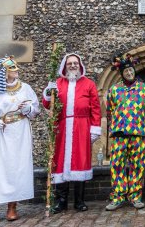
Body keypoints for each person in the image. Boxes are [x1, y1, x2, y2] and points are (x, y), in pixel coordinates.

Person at [42, 53, 101, 213]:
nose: (73, 65)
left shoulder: (89, 84)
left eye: (76, 63)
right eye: (70, 63)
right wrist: (48, 92)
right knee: (60, 162)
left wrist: (95, 129)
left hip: (82, 126)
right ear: (64, 66)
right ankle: (61, 202)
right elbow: (48, 105)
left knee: (80, 162)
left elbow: (96, 108)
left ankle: (79, 201)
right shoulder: (57, 83)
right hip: (61, 127)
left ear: (80, 66)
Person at [105, 53, 145, 210]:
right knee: (117, 164)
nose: (130, 73)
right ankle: (118, 196)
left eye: (131, 71)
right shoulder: (114, 90)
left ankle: (135, 196)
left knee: (138, 165)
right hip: (119, 134)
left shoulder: (144, 89)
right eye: (126, 72)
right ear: (122, 73)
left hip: (138, 134)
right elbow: (109, 110)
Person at [0, 56, 40, 221]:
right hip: (2, 133)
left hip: (20, 132)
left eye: (15, 68)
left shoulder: (26, 88)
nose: (16, 71)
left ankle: (12, 206)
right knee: (2, 168)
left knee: (16, 168)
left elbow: (35, 110)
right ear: (4, 72)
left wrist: (29, 108)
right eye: (12, 69)